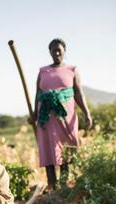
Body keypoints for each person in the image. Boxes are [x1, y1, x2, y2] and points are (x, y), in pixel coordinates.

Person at [32, 38, 92, 190]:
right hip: (46, 116)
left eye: (59, 49)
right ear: (50, 52)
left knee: (67, 148)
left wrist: (87, 113)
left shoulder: (72, 70)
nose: (56, 52)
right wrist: (34, 114)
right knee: (47, 146)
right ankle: (52, 184)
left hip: (66, 115)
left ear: (64, 51)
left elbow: (79, 93)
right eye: (53, 50)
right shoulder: (43, 71)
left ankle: (64, 185)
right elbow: (38, 93)